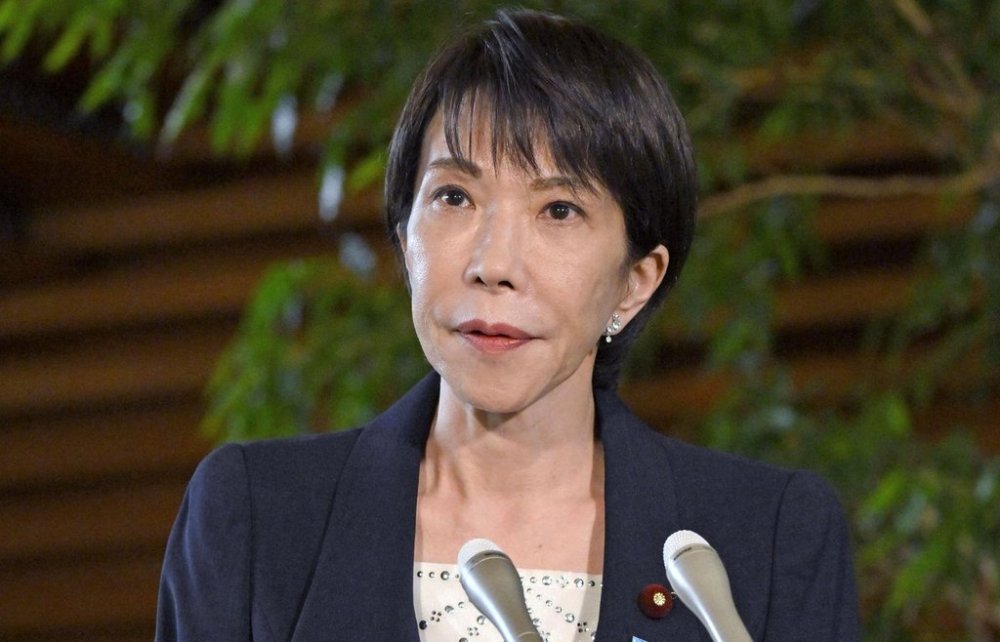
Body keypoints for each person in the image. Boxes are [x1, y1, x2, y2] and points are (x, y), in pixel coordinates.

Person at [156, 9, 860, 641]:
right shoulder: (258, 517)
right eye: (455, 196)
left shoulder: (766, 539)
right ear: (406, 240)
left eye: (559, 210)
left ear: (634, 283)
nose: (495, 264)